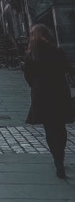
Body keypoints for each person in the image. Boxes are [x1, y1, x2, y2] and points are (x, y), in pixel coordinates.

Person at [23, 24, 74, 179]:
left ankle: (57, 161)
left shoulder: (31, 54)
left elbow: (28, 76)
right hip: (59, 91)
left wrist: (36, 86)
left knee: (50, 128)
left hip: (41, 94)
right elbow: (67, 68)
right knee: (60, 127)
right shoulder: (55, 50)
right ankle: (61, 156)